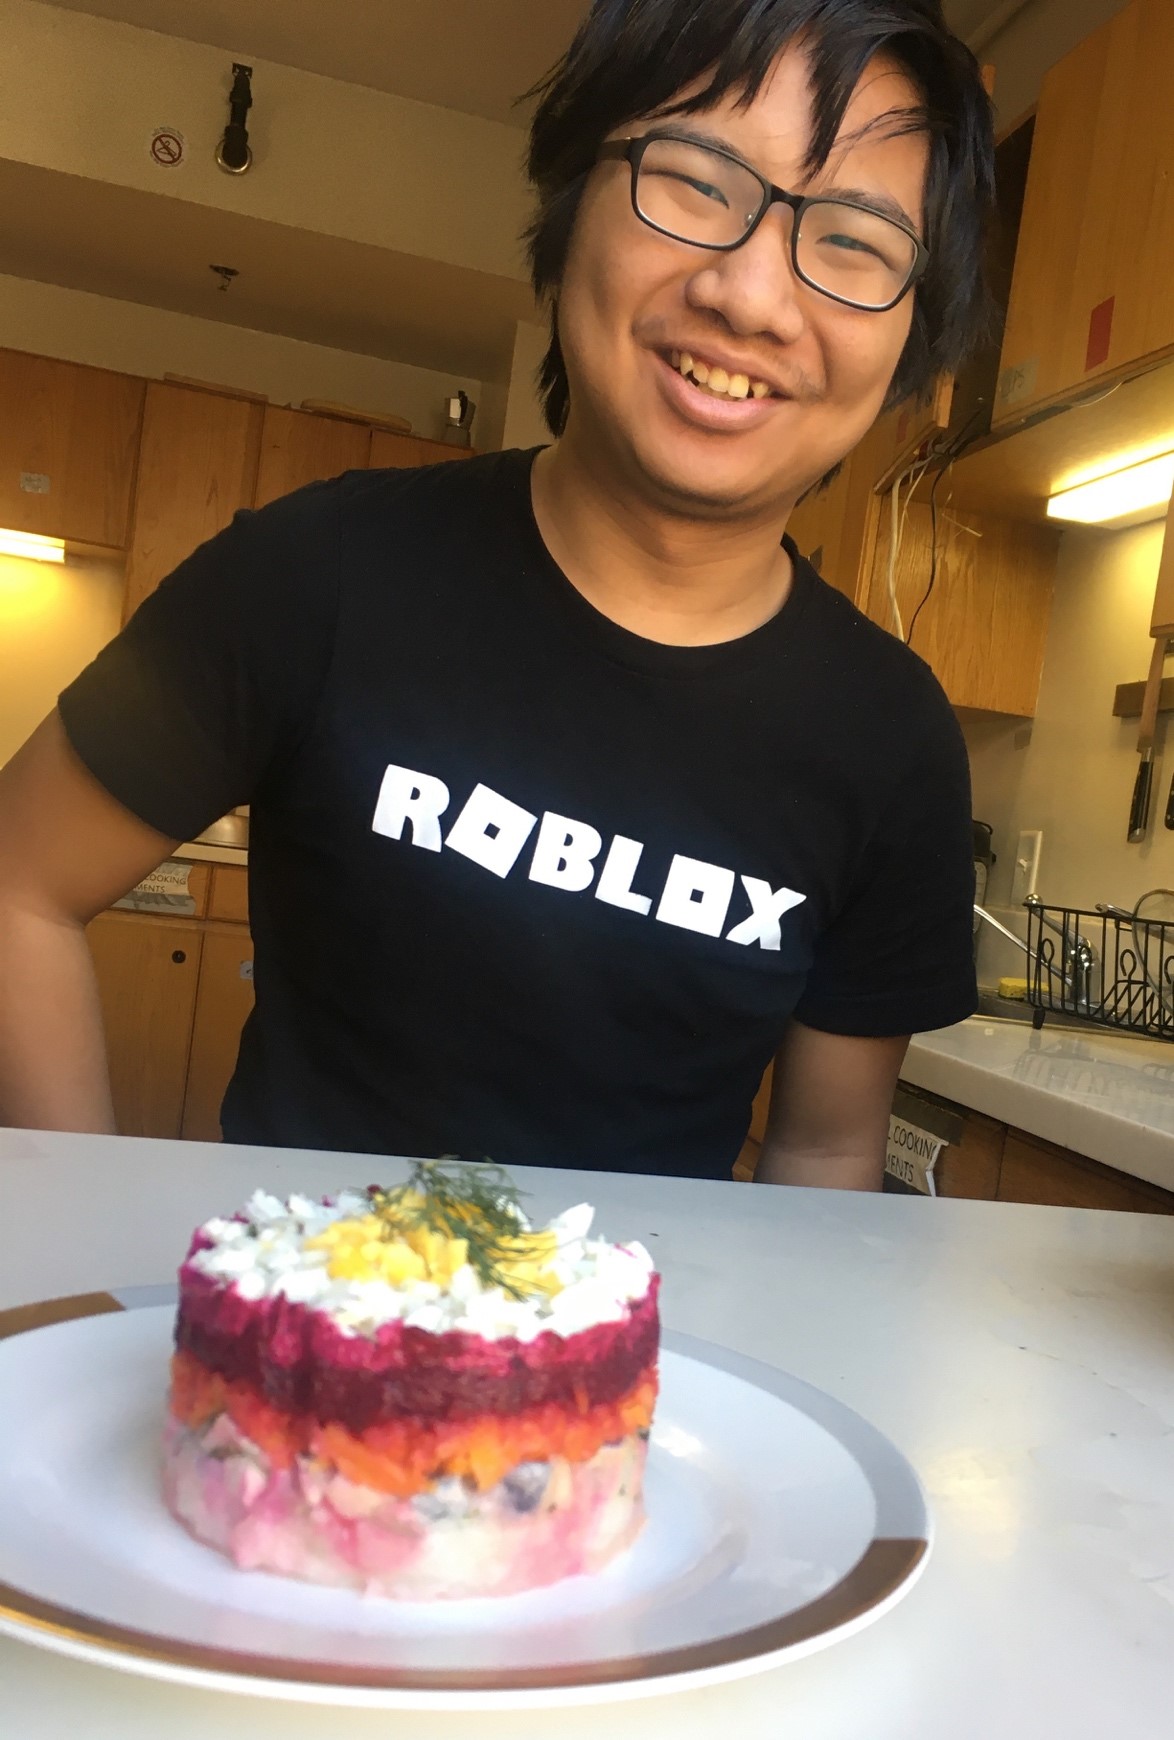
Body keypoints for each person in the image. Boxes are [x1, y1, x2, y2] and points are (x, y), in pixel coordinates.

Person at [0, 0, 993, 1186]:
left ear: (908, 345)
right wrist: (77, 1253)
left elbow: (826, 1141)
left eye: (853, 245)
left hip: (630, 1362)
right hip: (298, 1346)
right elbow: (20, 888)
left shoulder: (890, 743)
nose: (752, 296)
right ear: (573, 201)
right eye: (696, 178)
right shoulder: (313, 574)